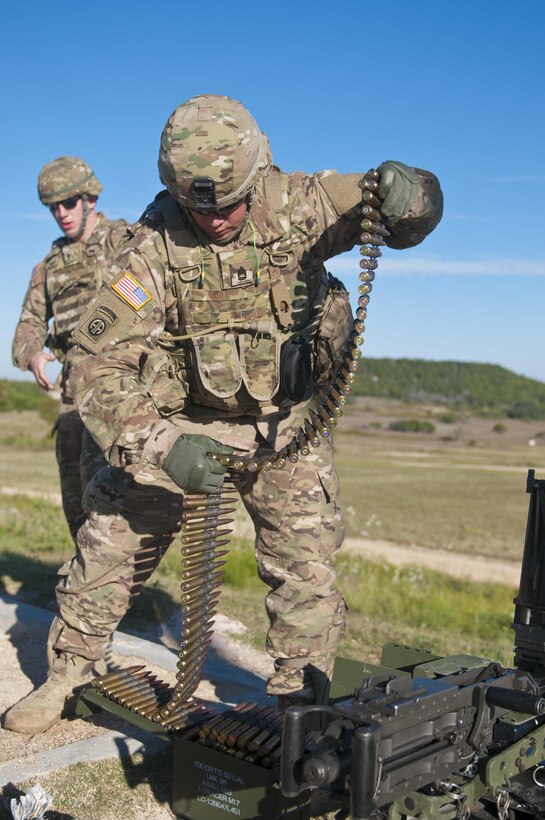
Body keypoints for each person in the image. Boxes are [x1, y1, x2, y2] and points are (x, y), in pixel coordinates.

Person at [4, 96, 443, 734]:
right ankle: (69, 674)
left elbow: (401, 211)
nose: (215, 220)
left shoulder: (301, 202)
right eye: (199, 208)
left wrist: (417, 196)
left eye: (231, 205)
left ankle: (304, 707)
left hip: (284, 428)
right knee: (108, 542)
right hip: (179, 425)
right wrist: (160, 446)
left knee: (304, 571)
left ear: (256, 175)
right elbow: (94, 368)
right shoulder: (149, 249)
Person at [11, 157, 128, 542]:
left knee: (109, 500)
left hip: (119, 391)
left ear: (90, 197)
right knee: (75, 501)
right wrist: (32, 355)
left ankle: (109, 592)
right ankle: (87, 588)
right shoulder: (49, 265)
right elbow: (29, 322)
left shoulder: (125, 242)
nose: (61, 213)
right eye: (53, 207)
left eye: (69, 202)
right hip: (71, 399)